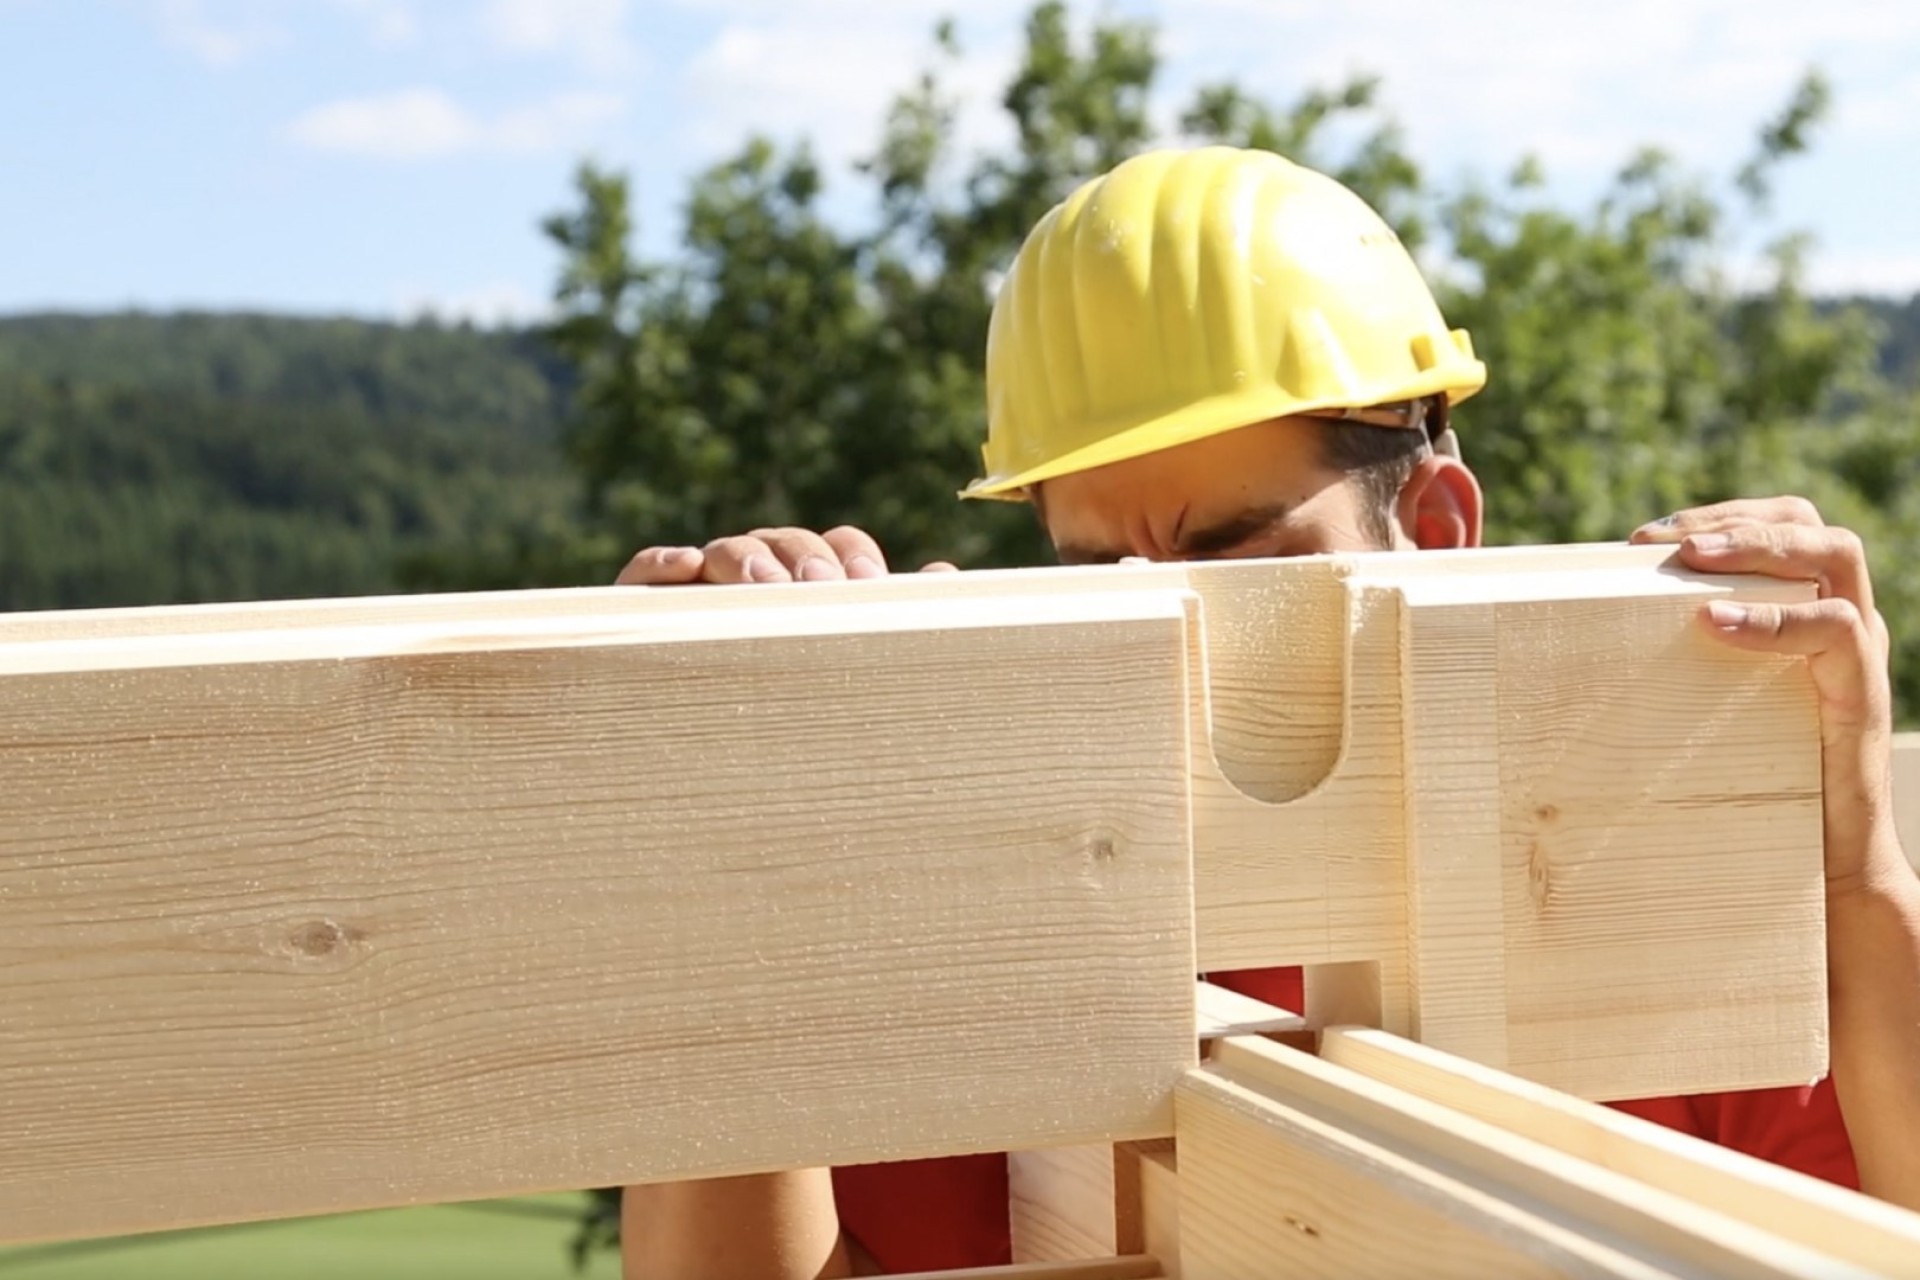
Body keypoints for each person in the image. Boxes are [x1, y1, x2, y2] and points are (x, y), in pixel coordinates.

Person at [614, 146, 1920, 1278]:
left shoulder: (1650, 903)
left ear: (1436, 534)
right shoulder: (973, 931)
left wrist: (1856, 867)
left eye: (1231, 559)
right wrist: (734, 832)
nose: (1166, 634)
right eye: (1103, 579)